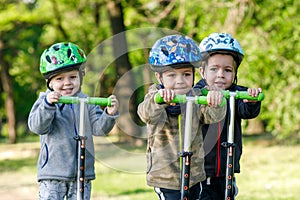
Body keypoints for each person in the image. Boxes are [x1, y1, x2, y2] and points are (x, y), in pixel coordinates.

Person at [137, 34, 226, 200]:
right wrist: (159, 100)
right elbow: (145, 113)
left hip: (194, 175)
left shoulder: (196, 96)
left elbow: (212, 117)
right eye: (171, 75)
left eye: (186, 74)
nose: (180, 81)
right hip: (166, 177)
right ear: (159, 77)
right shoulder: (154, 95)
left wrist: (217, 102)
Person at [28, 42, 119, 200]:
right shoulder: (45, 100)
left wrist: (109, 114)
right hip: (53, 174)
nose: (67, 82)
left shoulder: (86, 101)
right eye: (59, 79)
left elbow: (99, 129)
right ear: (49, 83)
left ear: (81, 77)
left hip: (82, 174)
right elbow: (37, 126)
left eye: (73, 77)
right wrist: (48, 105)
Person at [194, 32, 262, 199]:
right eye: (214, 69)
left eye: (227, 70)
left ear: (234, 73)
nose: (220, 74)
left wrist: (251, 100)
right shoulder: (196, 94)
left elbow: (246, 112)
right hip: (202, 169)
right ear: (202, 71)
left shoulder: (237, 93)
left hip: (227, 166)